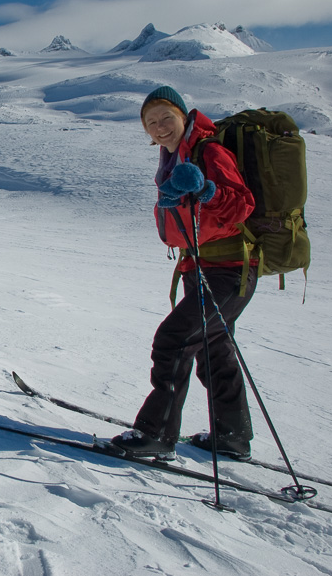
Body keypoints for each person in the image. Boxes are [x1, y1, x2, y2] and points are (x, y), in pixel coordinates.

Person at [110, 86, 257, 462]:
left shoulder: (209, 151)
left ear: (184, 116)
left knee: (174, 340)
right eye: (151, 123)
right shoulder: (174, 157)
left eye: (166, 118)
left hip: (230, 271)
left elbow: (242, 205)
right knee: (213, 350)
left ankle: (155, 434)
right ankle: (232, 436)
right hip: (201, 268)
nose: (160, 127)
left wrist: (208, 190)